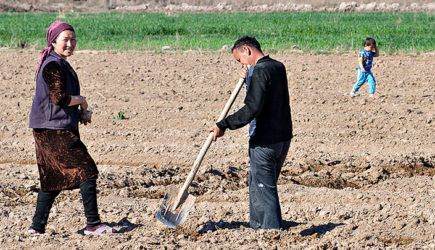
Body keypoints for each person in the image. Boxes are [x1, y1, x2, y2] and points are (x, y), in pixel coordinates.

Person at [28, 20, 117, 235]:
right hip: (53, 131)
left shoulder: (58, 63)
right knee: (87, 170)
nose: (70, 43)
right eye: (65, 40)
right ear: (53, 41)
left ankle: (36, 227)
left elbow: (57, 103)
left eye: (73, 39)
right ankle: (93, 224)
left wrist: (79, 115)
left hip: (49, 128)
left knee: (51, 179)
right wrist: (82, 101)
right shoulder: (53, 64)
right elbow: (59, 98)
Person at [210, 36, 292, 230]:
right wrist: (248, 78)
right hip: (283, 138)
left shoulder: (260, 72)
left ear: (246, 50)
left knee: (264, 190)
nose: (241, 63)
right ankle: (258, 227)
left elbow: (252, 108)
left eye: (239, 59)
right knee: (258, 187)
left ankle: (271, 232)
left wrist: (224, 124)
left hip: (265, 141)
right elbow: (265, 95)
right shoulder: (278, 67)